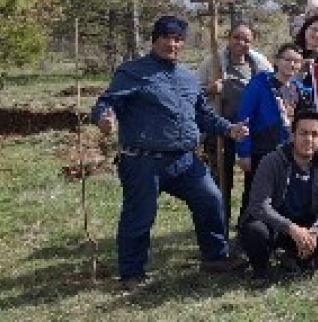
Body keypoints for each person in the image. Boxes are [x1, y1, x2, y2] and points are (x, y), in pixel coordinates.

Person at [91, 16, 249, 289]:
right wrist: (104, 118)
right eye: (166, 37)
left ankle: (215, 256)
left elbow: (203, 115)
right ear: (155, 40)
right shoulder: (132, 72)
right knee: (140, 216)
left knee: (211, 199)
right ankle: (132, 273)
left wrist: (229, 129)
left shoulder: (188, 78)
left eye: (177, 39)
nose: (172, 44)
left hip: (185, 161)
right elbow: (107, 102)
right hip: (142, 161)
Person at [240, 110, 318, 289]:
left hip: (308, 225)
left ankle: (303, 259)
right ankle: (260, 272)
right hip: (277, 225)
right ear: (292, 135)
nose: (309, 139)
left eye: (315, 134)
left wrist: (314, 232)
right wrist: (291, 228)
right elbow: (259, 205)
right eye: (303, 133)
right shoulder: (271, 161)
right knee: (254, 230)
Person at [196, 23, 273, 229]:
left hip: (251, 133)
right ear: (228, 39)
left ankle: (247, 224)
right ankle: (219, 224)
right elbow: (192, 94)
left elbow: (272, 92)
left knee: (253, 179)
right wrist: (210, 89)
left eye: (246, 39)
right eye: (236, 37)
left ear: (252, 42)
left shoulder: (260, 65)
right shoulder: (212, 63)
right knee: (221, 180)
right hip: (220, 130)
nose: (241, 42)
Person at [235, 43, 308, 225]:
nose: (292, 64)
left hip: (289, 151)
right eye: (287, 60)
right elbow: (244, 117)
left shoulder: (300, 89)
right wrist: (244, 152)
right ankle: (247, 231)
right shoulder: (260, 84)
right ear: (276, 61)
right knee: (255, 193)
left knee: (282, 194)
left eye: (296, 61)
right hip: (262, 149)